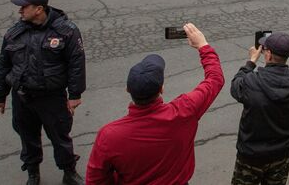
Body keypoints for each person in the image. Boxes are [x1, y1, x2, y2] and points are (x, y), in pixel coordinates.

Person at [86, 23, 224, 184]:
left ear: (127, 90)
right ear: (162, 89)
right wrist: (203, 45)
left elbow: (96, 180)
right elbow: (215, 79)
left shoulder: (109, 135)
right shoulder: (185, 111)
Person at [0, 0, 86, 185]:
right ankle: (33, 172)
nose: (20, 11)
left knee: (60, 137)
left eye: (24, 7)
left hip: (51, 97)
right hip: (22, 97)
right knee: (27, 137)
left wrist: (75, 94)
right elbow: (3, 65)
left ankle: (69, 172)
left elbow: (76, 63)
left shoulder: (66, 31)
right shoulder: (15, 32)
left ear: (39, 9)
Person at [231, 32, 289, 185]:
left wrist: (251, 62)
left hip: (250, 155)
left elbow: (235, 86)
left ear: (269, 54)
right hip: (281, 154)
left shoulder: (251, 81)